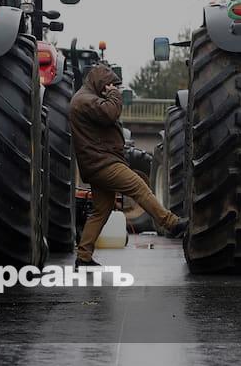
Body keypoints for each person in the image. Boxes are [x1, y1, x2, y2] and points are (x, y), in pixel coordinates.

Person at [69, 64, 189, 267]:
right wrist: (114, 95)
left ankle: (83, 256)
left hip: (97, 164)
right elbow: (110, 113)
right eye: (109, 84)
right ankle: (172, 223)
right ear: (100, 82)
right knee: (139, 187)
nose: (112, 88)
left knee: (101, 210)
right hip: (104, 163)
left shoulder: (85, 99)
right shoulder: (85, 101)